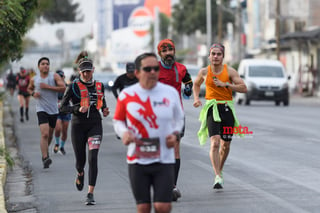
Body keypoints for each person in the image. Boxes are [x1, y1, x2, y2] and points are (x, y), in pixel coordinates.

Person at [113, 52, 184, 213]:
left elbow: (179, 118)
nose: (153, 72)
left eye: (156, 69)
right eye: (148, 69)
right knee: (143, 207)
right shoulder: (127, 95)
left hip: (164, 159)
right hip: (137, 160)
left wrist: (175, 133)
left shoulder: (169, 93)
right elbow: (118, 120)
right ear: (137, 73)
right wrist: (124, 133)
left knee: (163, 206)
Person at [192, 43, 247, 189]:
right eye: (213, 54)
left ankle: (220, 170)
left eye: (219, 54)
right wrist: (196, 98)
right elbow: (196, 84)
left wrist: (226, 85)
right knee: (215, 142)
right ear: (209, 56)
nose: (215, 56)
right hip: (212, 108)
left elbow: (244, 88)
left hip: (227, 108)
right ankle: (217, 176)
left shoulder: (230, 71)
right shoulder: (204, 71)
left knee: (226, 144)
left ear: (223, 56)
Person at [59, 51, 110, 205]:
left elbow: (102, 103)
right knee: (80, 161)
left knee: (93, 158)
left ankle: (90, 193)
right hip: (78, 126)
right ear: (80, 72)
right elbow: (62, 108)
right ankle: (80, 173)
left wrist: (105, 110)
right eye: (84, 72)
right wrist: (76, 108)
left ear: (93, 70)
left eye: (89, 71)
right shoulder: (73, 86)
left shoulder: (99, 85)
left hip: (95, 124)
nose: (87, 74)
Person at [157, 38, 193, 201]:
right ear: (160, 54)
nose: (168, 53)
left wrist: (188, 88)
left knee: (175, 149)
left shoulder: (181, 68)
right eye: (164, 51)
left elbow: (188, 80)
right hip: (158, 116)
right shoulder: (154, 69)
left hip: (177, 115)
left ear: (174, 51)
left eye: (170, 50)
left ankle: (172, 186)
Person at [27, 57, 66, 169]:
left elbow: (63, 88)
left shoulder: (54, 76)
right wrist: (33, 93)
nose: (45, 66)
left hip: (53, 110)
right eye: (43, 64)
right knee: (44, 134)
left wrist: (48, 87)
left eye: (47, 64)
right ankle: (45, 158)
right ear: (39, 66)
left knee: (50, 135)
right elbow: (29, 89)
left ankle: (46, 151)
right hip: (41, 109)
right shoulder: (34, 79)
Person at [53, 70, 71, 155]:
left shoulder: (68, 87)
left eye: (61, 76)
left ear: (64, 77)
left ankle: (62, 147)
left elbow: (72, 98)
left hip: (66, 111)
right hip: (56, 112)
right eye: (58, 77)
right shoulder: (53, 88)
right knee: (58, 128)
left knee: (64, 131)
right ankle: (57, 143)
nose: (60, 78)